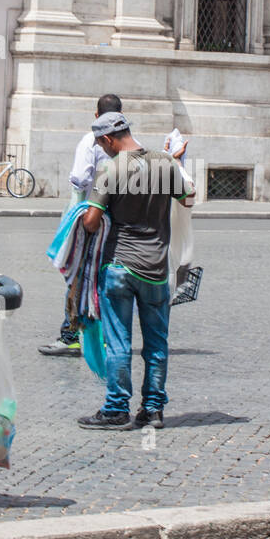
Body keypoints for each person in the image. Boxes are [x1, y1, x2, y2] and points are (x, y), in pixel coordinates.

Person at [76, 112, 193, 430]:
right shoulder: (165, 162)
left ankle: (116, 409)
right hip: (156, 269)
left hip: (120, 266)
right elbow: (187, 199)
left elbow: (90, 222)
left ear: (107, 140)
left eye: (103, 144)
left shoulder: (111, 169)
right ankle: (153, 410)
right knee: (157, 343)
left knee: (118, 342)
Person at [39, 93, 124, 358]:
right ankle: (106, 337)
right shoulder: (133, 144)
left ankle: (71, 335)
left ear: (96, 116)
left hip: (91, 218)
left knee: (78, 275)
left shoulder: (90, 141)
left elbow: (78, 179)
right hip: (118, 223)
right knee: (106, 278)